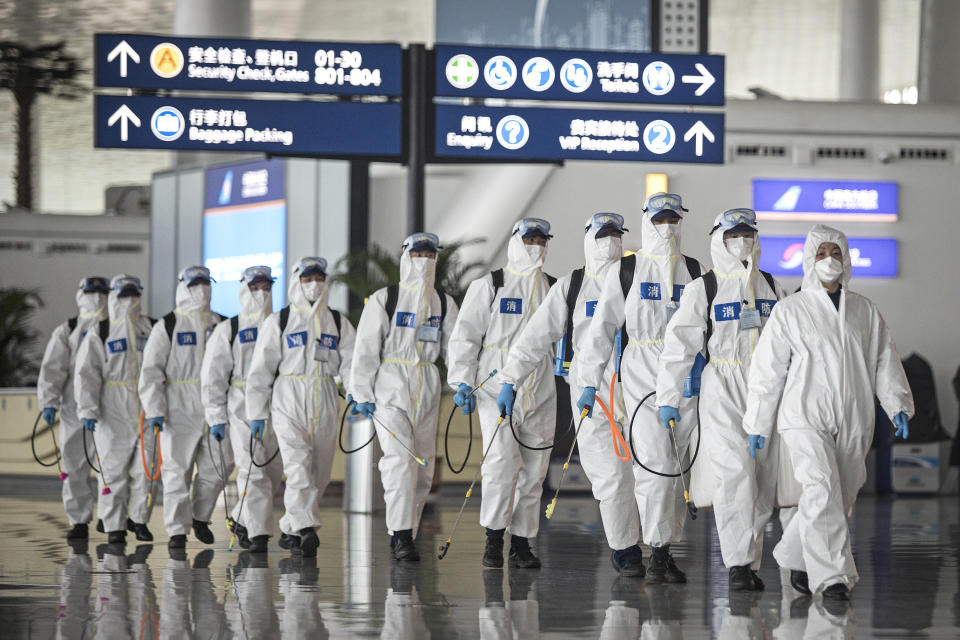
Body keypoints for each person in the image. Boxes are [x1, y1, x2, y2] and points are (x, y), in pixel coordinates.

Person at [743, 224, 913, 601]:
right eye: (821, 254)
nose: (829, 260)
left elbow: (884, 359)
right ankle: (833, 578)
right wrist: (757, 420)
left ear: (847, 259)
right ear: (808, 260)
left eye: (836, 253)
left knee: (841, 494)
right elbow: (767, 370)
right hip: (804, 414)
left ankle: (796, 557)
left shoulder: (864, 311)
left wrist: (897, 403)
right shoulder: (791, 310)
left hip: (855, 415)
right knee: (821, 488)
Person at [499, 213, 644, 576]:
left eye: (616, 234)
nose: (610, 241)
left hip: (641, 382)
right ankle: (626, 549)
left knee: (652, 472)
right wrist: (510, 379)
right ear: (588, 238)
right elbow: (535, 337)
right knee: (609, 474)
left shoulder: (639, 277)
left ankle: (659, 548)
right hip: (590, 391)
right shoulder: (571, 286)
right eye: (602, 234)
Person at [576, 193, 707, 583]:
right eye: (659, 217)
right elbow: (601, 330)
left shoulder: (696, 270)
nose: (666, 224)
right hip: (640, 374)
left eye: (672, 217)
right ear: (647, 221)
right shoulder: (628, 270)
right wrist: (587, 382)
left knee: (680, 466)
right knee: (654, 463)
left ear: (681, 221)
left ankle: (664, 548)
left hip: (687, 377)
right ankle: (656, 550)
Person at [655, 208, 788, 591]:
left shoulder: (771, 286)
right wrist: (668, 395)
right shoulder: (705, 288)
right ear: (718, 238)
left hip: (765, 389)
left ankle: (749, 561)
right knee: (735, 474)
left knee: (762, 479)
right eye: (733, 234)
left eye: (748, 232)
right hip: (722, 386)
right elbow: (678, 345)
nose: (741, 240)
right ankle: (737, 565)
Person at [447, 218, 556, 569]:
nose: (536, 245)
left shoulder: (553, 289)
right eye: (529, 238)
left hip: (540, 386)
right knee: (499, 464)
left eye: (541, 239)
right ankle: (494, 538)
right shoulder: (491, 285)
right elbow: (465, 335)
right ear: (515, 241)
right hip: (494, 386)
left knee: (535, 468)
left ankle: (522, 543)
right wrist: (462, 381)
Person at [350, 233, 459, 561]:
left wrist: (463, 382)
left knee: (423, 468)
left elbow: (456, 346)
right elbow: (366, 347)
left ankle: (406, 533)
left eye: (430, 253)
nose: (424, 259)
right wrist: (361, 391)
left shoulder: (443, 302)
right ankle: (399, 536)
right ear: (406, 256)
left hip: (427, 386)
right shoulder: (386, 299)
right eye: (418, 252)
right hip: (391, 388)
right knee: (399, 461)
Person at [245, 257, 356, 557]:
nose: (314, 284)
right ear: (297, 282)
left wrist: (356, 393)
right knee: (297, 467)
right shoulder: (278, 321)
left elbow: (350, 363)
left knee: (319, 473)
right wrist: (256, 412)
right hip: (288, 398)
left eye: (319, 278)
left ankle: (290, 528)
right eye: (307, 279)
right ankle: (307, 529)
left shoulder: (337, 320)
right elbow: (260, 371)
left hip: (324, 395)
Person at [139, 265, 228, 549]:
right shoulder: (168, 325)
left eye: (205, 281)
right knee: (177, 469)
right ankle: (177, 530)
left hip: (216, 403)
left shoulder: (223, 324)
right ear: (182, 286)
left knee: (218, 467)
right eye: (195, 282)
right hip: (178, 404)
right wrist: (154, 409)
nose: (201, 287)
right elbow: (151, 371)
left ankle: (200, 516)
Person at [74, 275, 159, 544]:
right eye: (124, 295)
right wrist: (87, 409)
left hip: (147, 407)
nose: (130, 300)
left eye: (134, 294)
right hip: (112, 410)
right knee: (113, 472)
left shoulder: (152, 327)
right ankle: (113, 526)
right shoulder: (101, 331)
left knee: (147, 469)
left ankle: (139, 518)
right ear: (114, 296)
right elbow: (86, 373)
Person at [201, 266, 280, 554]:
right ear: (243, 289)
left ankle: (239, 518)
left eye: (266, 287)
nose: (262, 292)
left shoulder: (279, 324)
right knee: (251, 468)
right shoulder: (229, 330)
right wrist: (216, 417)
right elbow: (213, 377)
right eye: (255, 287)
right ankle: (259, 536)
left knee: (271, 473)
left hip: (276, 406)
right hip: (240, 407)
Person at [37, 276, 109, 540]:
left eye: (102, 292)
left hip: (109, 409)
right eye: (93, 292)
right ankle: (78, 520)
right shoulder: (67, 330)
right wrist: (49, 401)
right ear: (81, 294)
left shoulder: (116, 328)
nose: (98, 297)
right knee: (74, 464)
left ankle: (109, 517)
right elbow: (52, 368)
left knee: (110, 465)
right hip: (73, 410)